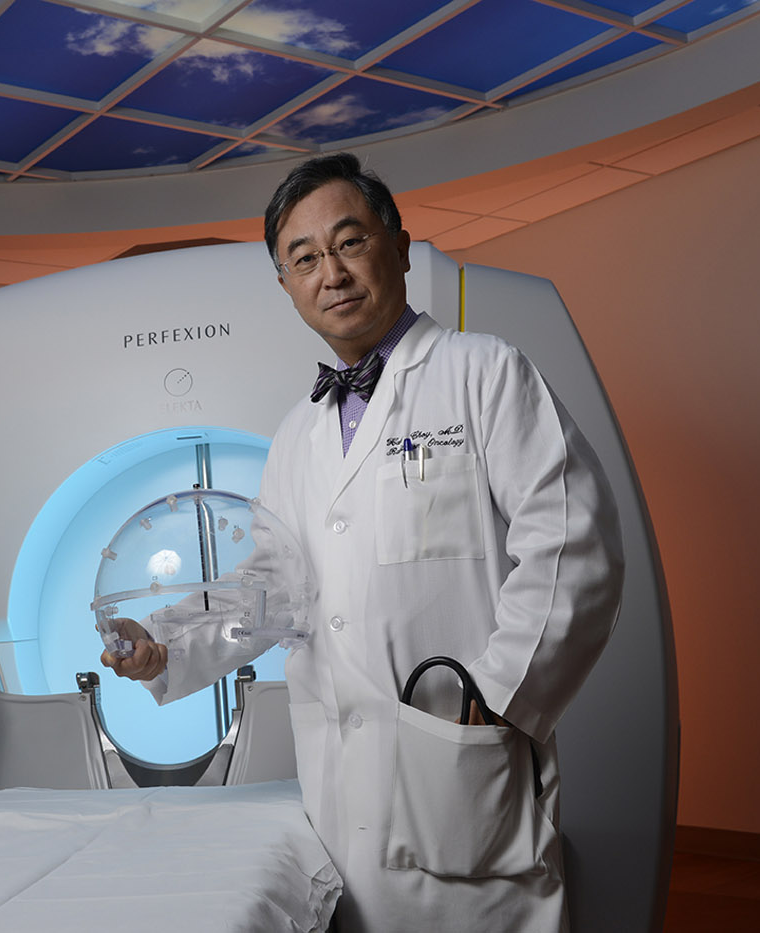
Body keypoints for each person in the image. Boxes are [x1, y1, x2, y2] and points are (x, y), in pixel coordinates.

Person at [103, 153, 624, 932]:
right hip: (341, 785)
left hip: (454, 749)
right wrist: (168, 644)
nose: (331, 273)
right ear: (286, 286)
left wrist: (497, 698)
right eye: (304, 258)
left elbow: (574, 546)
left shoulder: (482, 372)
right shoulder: (295, 435)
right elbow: (271, 591)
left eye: (349, 242)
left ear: (399, 245)